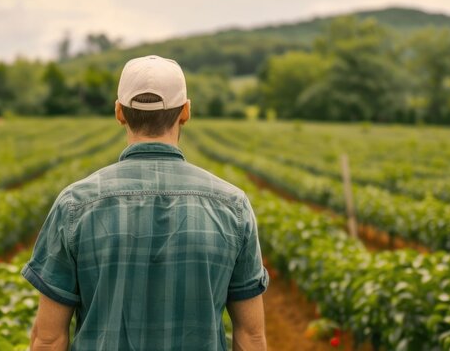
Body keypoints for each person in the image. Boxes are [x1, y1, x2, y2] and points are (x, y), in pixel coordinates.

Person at [21, 55, 269, 351]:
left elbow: (48, 339)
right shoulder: (233, 207)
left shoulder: (75, 205)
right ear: (186, 112)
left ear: (119, 112)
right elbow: (251, 337)